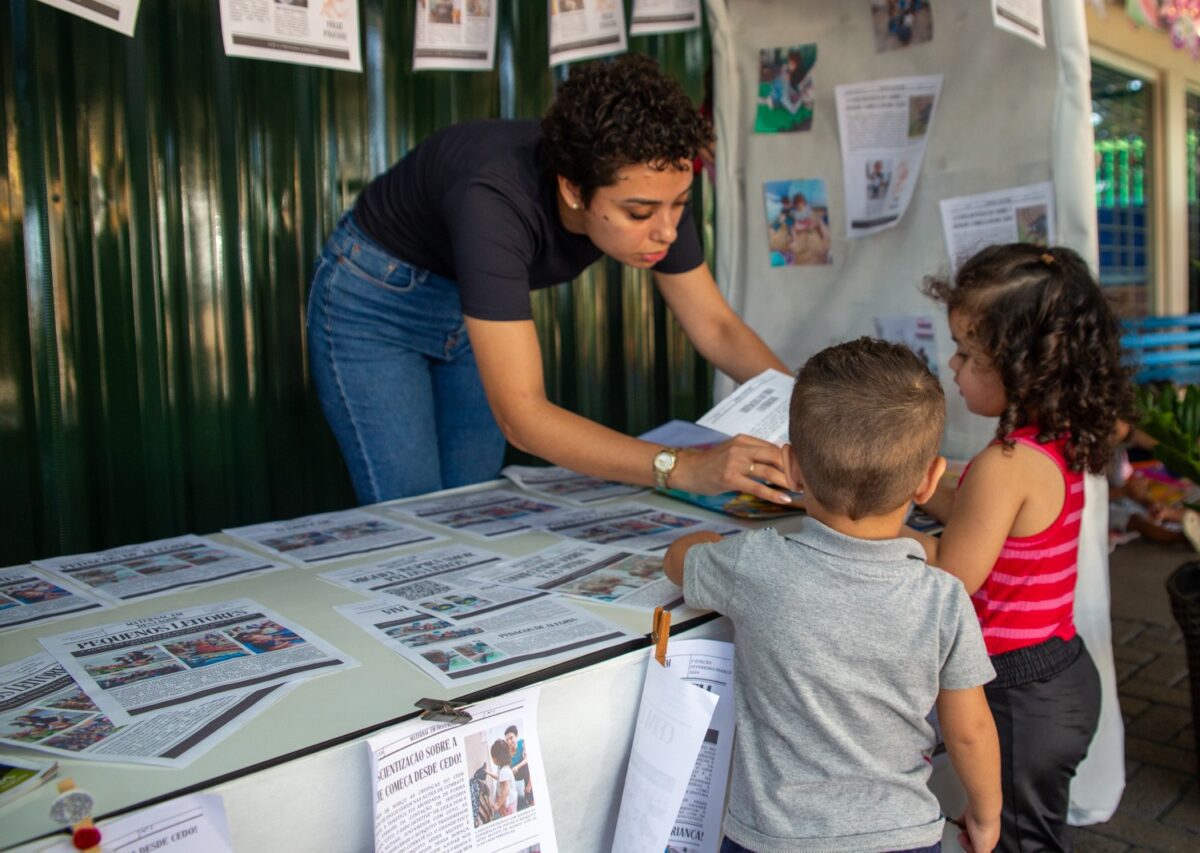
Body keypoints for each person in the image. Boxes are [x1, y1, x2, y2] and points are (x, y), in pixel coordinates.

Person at [307, 54, 792, 506]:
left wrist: (818, 416)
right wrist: (683, 468)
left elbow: (716, 327)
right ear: (573, 189)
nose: (666, 229)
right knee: (415, 506)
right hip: (377, 298)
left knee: (468, 503)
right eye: (639, 212)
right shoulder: (493, 199)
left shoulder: (653, 181)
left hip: (470, 302)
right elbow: (523, 417)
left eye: (680, 204)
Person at [663, 338, 1001, 853]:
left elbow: (677, 561)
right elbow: (971, 731)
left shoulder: (755, 565)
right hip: (902, 837)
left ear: (792, 467)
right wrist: (986, 814)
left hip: (772, 839)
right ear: (930, 481)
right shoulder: (943, 598)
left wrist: (707, 544)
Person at [910, 243, 1136, 852]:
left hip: (1017, 696)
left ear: (1021, 364)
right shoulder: (1057, 438)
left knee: (1011, 843)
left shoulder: (1004, 464)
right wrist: (914, 489)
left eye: (968, 353)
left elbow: (955, 570)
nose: (952, 366)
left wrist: (863, 527)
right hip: (1058, 672)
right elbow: (986, 522)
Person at [504, 725, 532, 807]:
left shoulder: (522, 743)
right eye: (507, 740)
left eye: (511, 738)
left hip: (522, 769)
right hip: (514, 774)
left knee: (528, 766)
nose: (509, 741)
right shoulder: (506, 752)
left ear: (516, 736)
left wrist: (517, 766)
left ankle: (528, 791)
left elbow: (528, 758)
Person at [488, 738, 516, 819]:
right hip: (511, 801)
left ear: (496, 758)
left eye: (492, 757)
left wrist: (498, 804)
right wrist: (489, 773)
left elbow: (506, 790)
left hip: (509, 805)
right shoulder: (505, 768)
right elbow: (499, 778)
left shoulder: (504, 771)